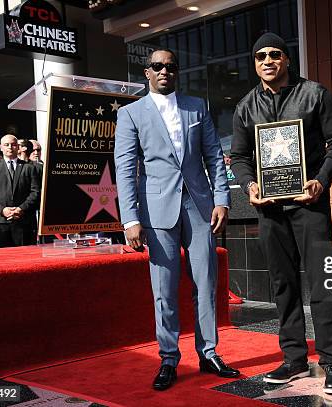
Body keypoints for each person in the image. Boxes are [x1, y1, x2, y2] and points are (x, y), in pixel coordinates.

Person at [230, 32, 332, 394]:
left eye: (275, 55)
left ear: (286, 59)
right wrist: (250, 184)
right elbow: (239, 157)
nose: (267, 61)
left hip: (308, 205)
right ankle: (295, 359)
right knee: (283, 285)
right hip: (269, 210)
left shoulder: (314, 94)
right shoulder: (245, 107)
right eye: (260, 56)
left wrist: (321, 179)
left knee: (322, 283)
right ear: (255, 63)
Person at [114, 47, 239, 391]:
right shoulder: (130, 113)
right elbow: (125, 170)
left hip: (200, 207)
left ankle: (209, 352)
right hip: (155, 211)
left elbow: (214, 156)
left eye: (171, 66)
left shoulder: (196, 106)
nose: (165, 71)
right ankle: (169, 358)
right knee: (164, 290)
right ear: (147, 73)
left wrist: (222, 198)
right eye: (158, 66)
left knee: (207, 283)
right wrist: (129, 219)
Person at [0, 134, 40, 248]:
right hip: (0, 222)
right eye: (6, 145)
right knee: (1, 261)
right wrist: (2, 210)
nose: (10, 147)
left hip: (24, 222)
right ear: (1, 147)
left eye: (13, 145)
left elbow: (35, 192)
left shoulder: (29, 168)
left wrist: (21, 209)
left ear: (18, 147)